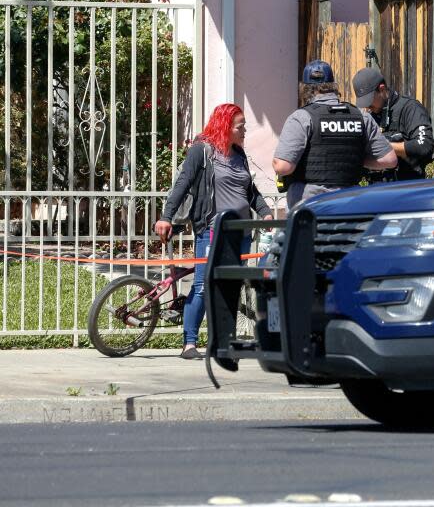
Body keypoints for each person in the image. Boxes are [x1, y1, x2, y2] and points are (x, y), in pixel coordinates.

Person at [155, 103, 273, 359]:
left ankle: (223, 343)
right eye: (240, 126)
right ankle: (189, 344)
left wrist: (266, 213)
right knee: (203, 286)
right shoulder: (202, 151)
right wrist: (166, 217)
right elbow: (182, 184)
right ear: (226, 126)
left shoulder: (239, 154)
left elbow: (250, 192)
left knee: (229, 287)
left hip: (241, 233)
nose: (244, 131)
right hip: (212, 230)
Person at [273, 60, 397, 209]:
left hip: (310, 208)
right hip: (349, 205)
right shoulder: (361, 117)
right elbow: (389, 160)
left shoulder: (301, 117)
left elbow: (282, 166)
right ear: (333, 86)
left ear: (305, 89)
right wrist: (353, 159)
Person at [352, 67, 433, 181]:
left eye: (369, 101)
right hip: (377, 189)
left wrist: (384, 147)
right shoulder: (370, 116)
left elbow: (425, 145)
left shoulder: (410, 108)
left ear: (382, 89)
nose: (367, 106)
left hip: (407, 187)